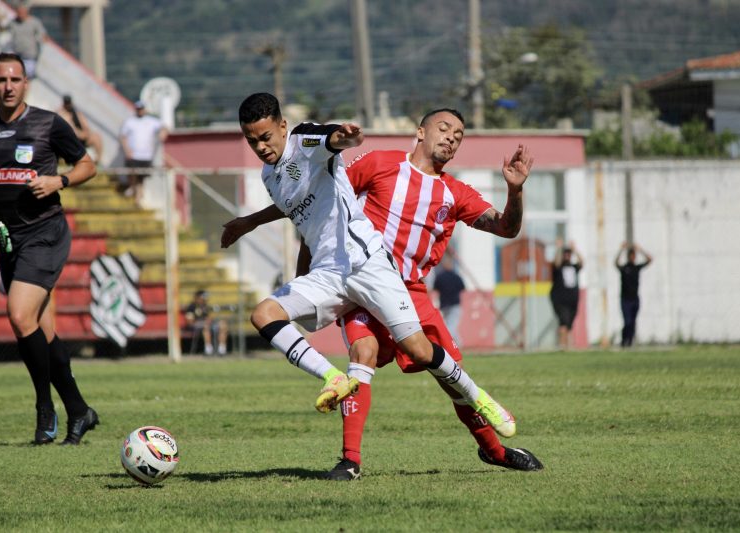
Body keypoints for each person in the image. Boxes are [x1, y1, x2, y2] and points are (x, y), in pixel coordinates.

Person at [220, 93, 514, 441]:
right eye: (252, 140)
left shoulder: (303, 140)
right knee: (264, 314)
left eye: (265, 137)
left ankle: (479, 397)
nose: (260, 146)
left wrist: (344, 136)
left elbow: (330, 138)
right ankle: (334, 380)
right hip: (328, 273)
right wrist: (249, 223)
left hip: (367, 263)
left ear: (282, 127)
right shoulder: (270, 176)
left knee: (420, 349)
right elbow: (299, 210)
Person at [312, 109, 541, 480]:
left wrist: (515, 190)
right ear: (420, 132)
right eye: (444, 128)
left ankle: (495, 452)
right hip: (364, 286)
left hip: (412, 293)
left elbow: (505, 227)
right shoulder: (378, 162)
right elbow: (323, 203)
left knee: (451, 376)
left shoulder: (456, 192)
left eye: (459, 134)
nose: (451, 137)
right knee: (363, 352)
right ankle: (350, 460)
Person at [0, 53, 98, 444]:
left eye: (15, 79)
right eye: (1, 80)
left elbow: (88, 165)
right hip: (8, 238)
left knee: (19, 315)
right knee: (41, 330)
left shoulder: (47, 123)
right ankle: (78, 410)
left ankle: (44, 407)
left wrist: (61, 182)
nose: (8, 86)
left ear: (26, 83)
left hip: (45, 233)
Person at [119, 100, 167, 204]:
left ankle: (138, 196)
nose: (140, 111)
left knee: (141, 178)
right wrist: (127, 150)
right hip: (133, 155)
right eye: (138, 109)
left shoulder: (151, 121)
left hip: (146, 155)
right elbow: (123, 137)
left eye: (141, 109)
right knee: (133, 174)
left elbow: (163, 127)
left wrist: (162, 133)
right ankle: (135, 191)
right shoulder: (130, 121)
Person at [615, 241, 652, 347]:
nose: (632, 257)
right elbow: (616, 263)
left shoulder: (636, 268)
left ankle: (630, 341)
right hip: (625, 299)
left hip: (635, 299)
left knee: (633, 322)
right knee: (627, 321)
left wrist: (640, 250)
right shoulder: (624, 268)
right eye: (631, 255)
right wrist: (621, 250)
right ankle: (624, 340)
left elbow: (650, 259)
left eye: (634, 255)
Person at [550, 239, 583, 350]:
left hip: (573, 299)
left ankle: (569, 346)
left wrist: (575, 250)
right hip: (560, 300)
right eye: (566, 254)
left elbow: (581, 262)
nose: (567, 256)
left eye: (569, 254)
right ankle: (563, 346)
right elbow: (556, 263)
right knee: (563, 323)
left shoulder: (574, 267)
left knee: (569, 324)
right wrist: (559, 248)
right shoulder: (559, 268)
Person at [57, 95, 103, 164]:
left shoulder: (77, 113)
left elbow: (86, 128)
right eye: (66, 103)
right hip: (68, 140)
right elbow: (72, 131)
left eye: (69, 103)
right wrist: (82, 134)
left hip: (80, 138)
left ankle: (97, 162)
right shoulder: (61, 113)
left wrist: (85, 133)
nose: (68, 105)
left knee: (96, 137)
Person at [432, 255, 466, 345]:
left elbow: (435, 288)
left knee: (449, 326)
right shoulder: (456, 276)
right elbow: (463, 288)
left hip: (444, 304)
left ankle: (457, 344)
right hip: (455, 304)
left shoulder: (439, 277)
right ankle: (454, 344)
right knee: (451, 326)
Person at [184, 289, 229, 355]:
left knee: (223, 324)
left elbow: (208, 317)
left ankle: (222, 349)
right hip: (197, 326)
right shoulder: (191, 307)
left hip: (207, 324)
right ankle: (208, 349)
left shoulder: (205, 306)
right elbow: (190, 322)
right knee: (206, 326)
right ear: (197, 298)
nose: (205, 300)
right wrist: (203, 322)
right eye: (203, 298)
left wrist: (210, 320)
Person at [6, 4, 44, 79]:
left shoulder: (34, 22)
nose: (20, 14)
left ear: (26, 12)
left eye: (22, 12)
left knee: (27, 77)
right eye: (18, 12)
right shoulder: (13, 22)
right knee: (16, 77)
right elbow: (4, 30)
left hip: (29, 55)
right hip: (17, 54)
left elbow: (41, 34)